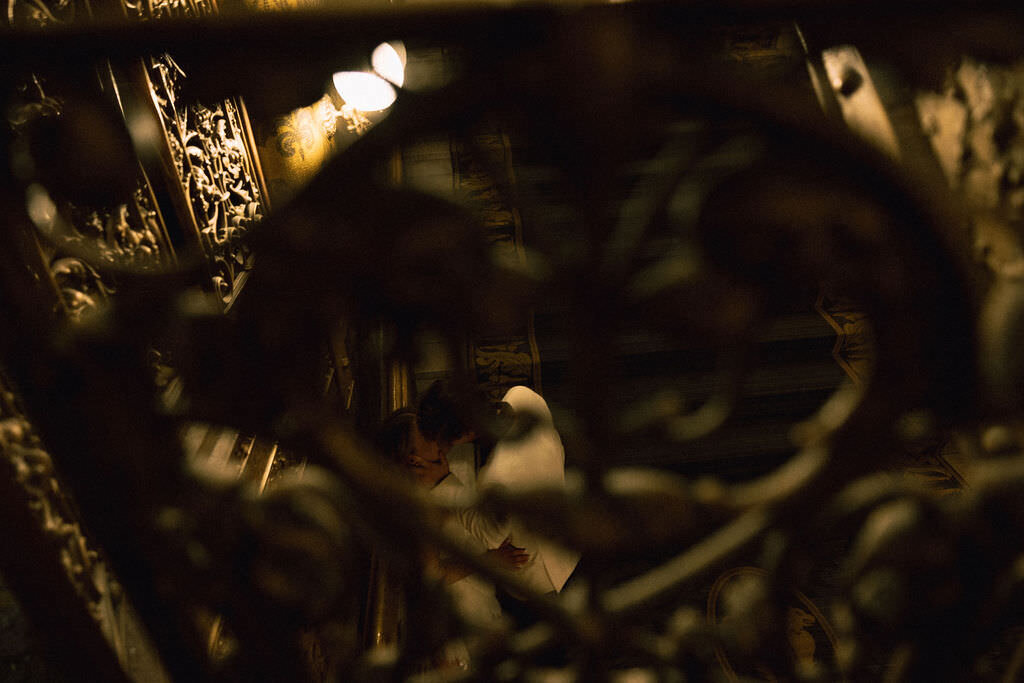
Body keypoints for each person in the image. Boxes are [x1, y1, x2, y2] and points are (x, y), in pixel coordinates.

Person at [416, 381, 581, 623]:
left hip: (540, 576)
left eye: (447, 442)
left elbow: (489, 535)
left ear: (466, 434)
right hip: (567, 538)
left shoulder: (500, 476)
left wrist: (443, 481)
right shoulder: (523, 396)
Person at [375, 408, 525, 669]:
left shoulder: (434, 487)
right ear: (413, 460)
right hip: (456, 624)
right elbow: (431, 577)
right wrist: (489, 561)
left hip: (478, 611)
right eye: (428, 438)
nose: (438, 442)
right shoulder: (415, 509)